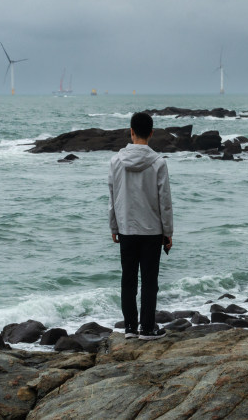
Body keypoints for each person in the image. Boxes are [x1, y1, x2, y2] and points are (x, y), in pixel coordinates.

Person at [108, 112, 173, 340]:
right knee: (149, 281)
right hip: (152, 231)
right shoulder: (158, 163)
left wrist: (113, 226)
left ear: (131, 131)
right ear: (152, 133)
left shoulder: (116, 161)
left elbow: (112, 196)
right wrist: (168, 233)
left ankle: (129, 329)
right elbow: (164, 201)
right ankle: (146, 328)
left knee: (128, 280)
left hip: (126, 228)